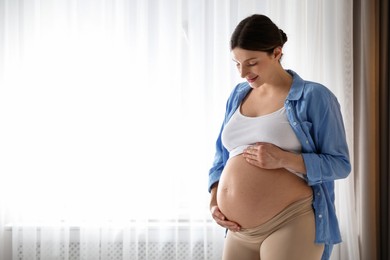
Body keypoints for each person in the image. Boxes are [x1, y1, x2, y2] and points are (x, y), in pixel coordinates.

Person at [208, 14, 351, 260]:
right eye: (237, 63)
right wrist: (214, 200)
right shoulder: (238, 95)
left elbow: (340, 164)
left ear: (276, 53)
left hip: (291, 221)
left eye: (252, 62)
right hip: (239, 230)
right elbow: (221, 159)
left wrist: (283, 159)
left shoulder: (314, 97)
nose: (243, 73)